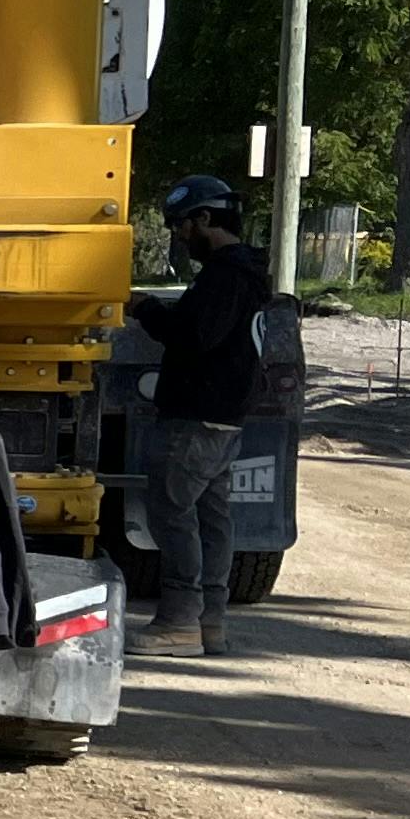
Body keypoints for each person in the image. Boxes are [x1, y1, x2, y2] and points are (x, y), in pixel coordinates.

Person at [132, 174, 270, 655]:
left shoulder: (225, 276)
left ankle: (178, 621)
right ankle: (211, 620)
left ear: (205, 219)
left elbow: (195, 336)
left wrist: (146, 309)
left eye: (180, 224)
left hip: (196, 416)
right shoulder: (244, 273)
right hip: (223, 419)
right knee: (211, 518)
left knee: (172, 514)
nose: (177, 235)